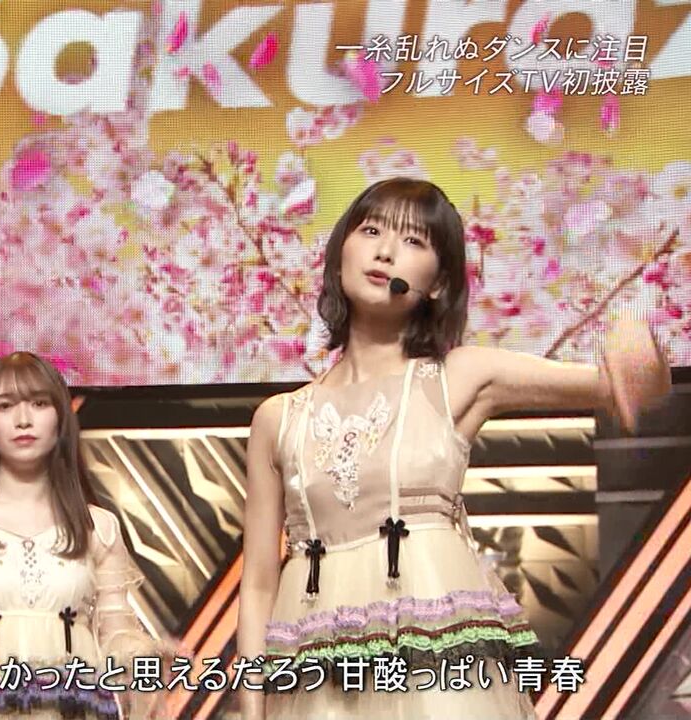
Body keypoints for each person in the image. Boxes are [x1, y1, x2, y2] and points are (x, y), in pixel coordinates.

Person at [234, 178, 673, 720]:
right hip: (315, 668)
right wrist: (252, 710)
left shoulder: (458, 377)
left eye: (413, 241)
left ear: (439, 283)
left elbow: (619, 386)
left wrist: (640, 351)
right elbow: (258, 583)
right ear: (340, 253)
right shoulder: (278, 418)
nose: (385, 251)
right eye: (370, 231)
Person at [0, 351, 173, 719]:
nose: (23, 419)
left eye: (39, 403)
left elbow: (114, 629)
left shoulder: (97, 527)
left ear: (61, 417)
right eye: (5, 405)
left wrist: (143, 654)